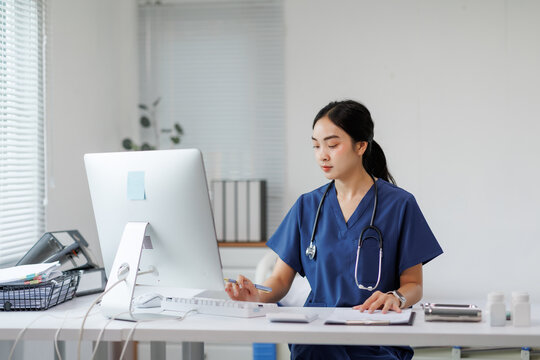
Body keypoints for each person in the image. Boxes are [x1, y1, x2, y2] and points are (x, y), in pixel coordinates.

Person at [225, 100, 443, 360]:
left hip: (376, 334)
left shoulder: (399, 205)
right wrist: (257, 295)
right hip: (318, 337)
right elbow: (281, 281)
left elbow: (413, 285)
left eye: (332, 144)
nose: (322, 155)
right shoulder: (308, 206)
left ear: (361, 146)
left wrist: (395, 297)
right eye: (316, 146)